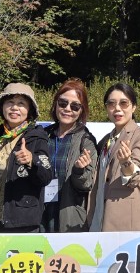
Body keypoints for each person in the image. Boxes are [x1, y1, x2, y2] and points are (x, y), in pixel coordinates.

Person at [90, 83, 140, 231]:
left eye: (124, 103)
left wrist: (126, 163)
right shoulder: (105, 140)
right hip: (100, 215)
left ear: (133, 107)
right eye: (111, 104)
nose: (117, 109)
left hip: (127, 220)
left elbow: (136, 177)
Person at [0, 83, 54, 232]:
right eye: (10, 102)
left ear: (29, 110)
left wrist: (32, 161)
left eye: (21, 104)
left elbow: (46, 176)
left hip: (23, 222)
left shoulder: (37, 137)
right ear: (2, 107)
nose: (15, 108)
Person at [42, 79, 99, 232]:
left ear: (82, 110)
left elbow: (87, 184)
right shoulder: (42, 135)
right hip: (40, 214)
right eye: (63, 103)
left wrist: (79, 171)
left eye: (75, 106)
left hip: (68, 217)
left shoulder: (86, 140)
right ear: (55, 104)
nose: (68, 109)